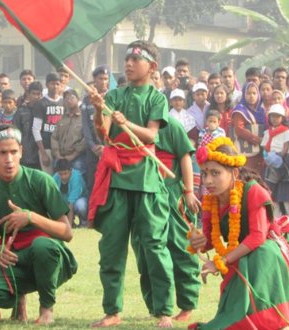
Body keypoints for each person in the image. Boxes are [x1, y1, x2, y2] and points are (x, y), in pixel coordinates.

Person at [88, 40, 175, 328]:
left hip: (147, 178)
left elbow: (150, 136)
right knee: (112, 247)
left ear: (151, 66)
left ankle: (164, 310)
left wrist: (126, 122)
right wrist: (98, 109)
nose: (128, 64)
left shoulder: (157, 98)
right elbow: (104, 132)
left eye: (135, 60)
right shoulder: (114, 94)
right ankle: (112, 310)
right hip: (116, 178)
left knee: (153, 245)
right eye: (126, 59)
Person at [188, 137, 289, 329]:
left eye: (215, 173)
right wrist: (197, 242)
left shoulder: (254, 191)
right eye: (204, 174)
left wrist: (221, 262)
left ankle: (274, 322)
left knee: (262, 253)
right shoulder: (211, 199)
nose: (208, 180)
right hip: (242, 253)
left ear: (234, 172)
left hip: (269, 250)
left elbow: (258, 237)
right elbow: (210, 240)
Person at [0, 126, 77, 325]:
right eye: (2, 153)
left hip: (49, 255)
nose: (9, 159)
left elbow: (67, 232)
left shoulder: (40, 181)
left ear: (21, 151)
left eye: (13, 152)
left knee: (42, 246)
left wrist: (31, 217)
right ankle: (19, 296)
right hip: (13, 259)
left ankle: (46, 309)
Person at [153, 117, 201, 322]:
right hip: (147, 194)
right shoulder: (132, 123)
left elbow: (185, 157)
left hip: (173, 194)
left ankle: (187, 304)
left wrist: (189, 192)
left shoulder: (170, 125)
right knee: (151, 249)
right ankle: (158, 306)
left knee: (181, 247)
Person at [261, 104, 289, 219]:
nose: (274, 119)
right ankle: (275, 216)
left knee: (284, 192)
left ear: (282, 118)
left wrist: (279, 157)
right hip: (270, 162)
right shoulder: (267, 132)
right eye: (272, 116)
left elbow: (286, 147)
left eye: (277, 116)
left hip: (282, 162)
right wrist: (267, 157)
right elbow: (265, 147)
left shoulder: (286, 131)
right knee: (271, 192)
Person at [82, 66, 110, 194]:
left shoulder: (112, 97)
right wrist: (94, 148)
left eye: (106, 78)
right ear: (95, 80)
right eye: (100, 78)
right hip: (92, 150)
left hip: (109, 148)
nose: (103, 82)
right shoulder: (87, 100)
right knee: (92, 185)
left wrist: (105, 147)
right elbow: (86, 127)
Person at [33, 73, 64, 174]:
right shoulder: (41, 103)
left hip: (62, 148)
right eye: (52, 83)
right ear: (46, 85)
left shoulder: (64, 102)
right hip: (46, 147)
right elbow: (35, 129)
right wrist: (43, 153)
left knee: (62, 177)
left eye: (57, 84)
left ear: (61, 86)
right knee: (48, 178)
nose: (55, 86)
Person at [232, 82, 265, 174]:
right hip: (246, 151)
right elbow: (239, 129)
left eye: (254, 93)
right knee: (246, 176)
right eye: (248, 93)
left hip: (260, 152)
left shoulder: (261, 110)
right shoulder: (240, 110)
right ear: (244, 95)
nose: (251, 96)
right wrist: (257, 139)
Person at [51, 89, 86, 172]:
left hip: (77, 159)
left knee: (77, 181)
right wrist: (57, 154)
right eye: (66, 99)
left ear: (78, 99)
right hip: (60, 158)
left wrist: (74, 155)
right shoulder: (63, 118)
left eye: (72, 98)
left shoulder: (84, 117)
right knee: (57, 181)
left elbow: (85, 139)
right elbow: (54, 137)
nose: (69, 101)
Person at [14, 81, 43, 170]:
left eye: (38, 94)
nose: (36, 97)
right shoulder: (21, 111)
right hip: (25, 155)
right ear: (28, 94)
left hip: (41, 154)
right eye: (33, 93)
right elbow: (16, 133)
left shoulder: (44, 110)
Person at [52, 158, 88, 228]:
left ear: (70, 170)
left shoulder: (76, 177)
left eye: (65, 173)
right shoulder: (55, 178)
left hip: (77, 202)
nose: (63, 176)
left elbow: (71, 202)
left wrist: (69, 226)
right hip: (64, 203)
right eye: (60, 174)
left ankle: (84, 221)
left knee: (81, 205)